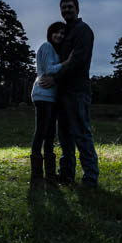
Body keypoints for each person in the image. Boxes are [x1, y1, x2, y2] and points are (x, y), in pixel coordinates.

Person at [40, 0, 99, 188]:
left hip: (77, 91)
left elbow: (78, 61)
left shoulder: (83, 31)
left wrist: (55, 77)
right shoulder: (66, 32)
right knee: (64, 135)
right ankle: (66, 174)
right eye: (63, 7)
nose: (66, 10)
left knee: (81, 133)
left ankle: (90, 177)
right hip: (62, 92)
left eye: (70, 7)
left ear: (77, 9)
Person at [29, 22, 72, 186]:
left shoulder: (55, 50)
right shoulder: (46, 46)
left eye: (62, 33)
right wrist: (66, 63)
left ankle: (50, 174)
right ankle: (37, 174)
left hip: (52, 97)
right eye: (56, 32)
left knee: (50, 135)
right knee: (41, 132)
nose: (59, 36)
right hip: (43, 95)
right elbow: (47, 69)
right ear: (50, 33)